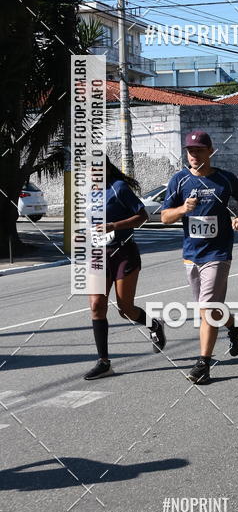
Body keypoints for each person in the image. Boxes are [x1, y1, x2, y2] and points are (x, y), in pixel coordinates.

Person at [161, 130, 238, 383]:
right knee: (209, 309)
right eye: (190, 150)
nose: (194, 154)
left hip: (219, 252)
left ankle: (203, 364)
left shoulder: (224, 179)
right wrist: (182, 209)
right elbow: (165, 217)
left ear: (210, 151)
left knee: (207, 308)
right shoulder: (178, 180)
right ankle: (235, 325)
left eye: (199, 150)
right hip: (191, 254)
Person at [84, 157, 166, 380]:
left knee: (125, 308)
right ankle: (104, 362)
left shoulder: (119, 188)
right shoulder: (88, 193)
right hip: (99, 255)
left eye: (97, 168)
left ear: (106, 168)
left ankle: (154, 325)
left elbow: (142, 216)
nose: (93, 172)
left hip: (123, 253)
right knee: (96, 305)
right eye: (89, 168)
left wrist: (113, 226)